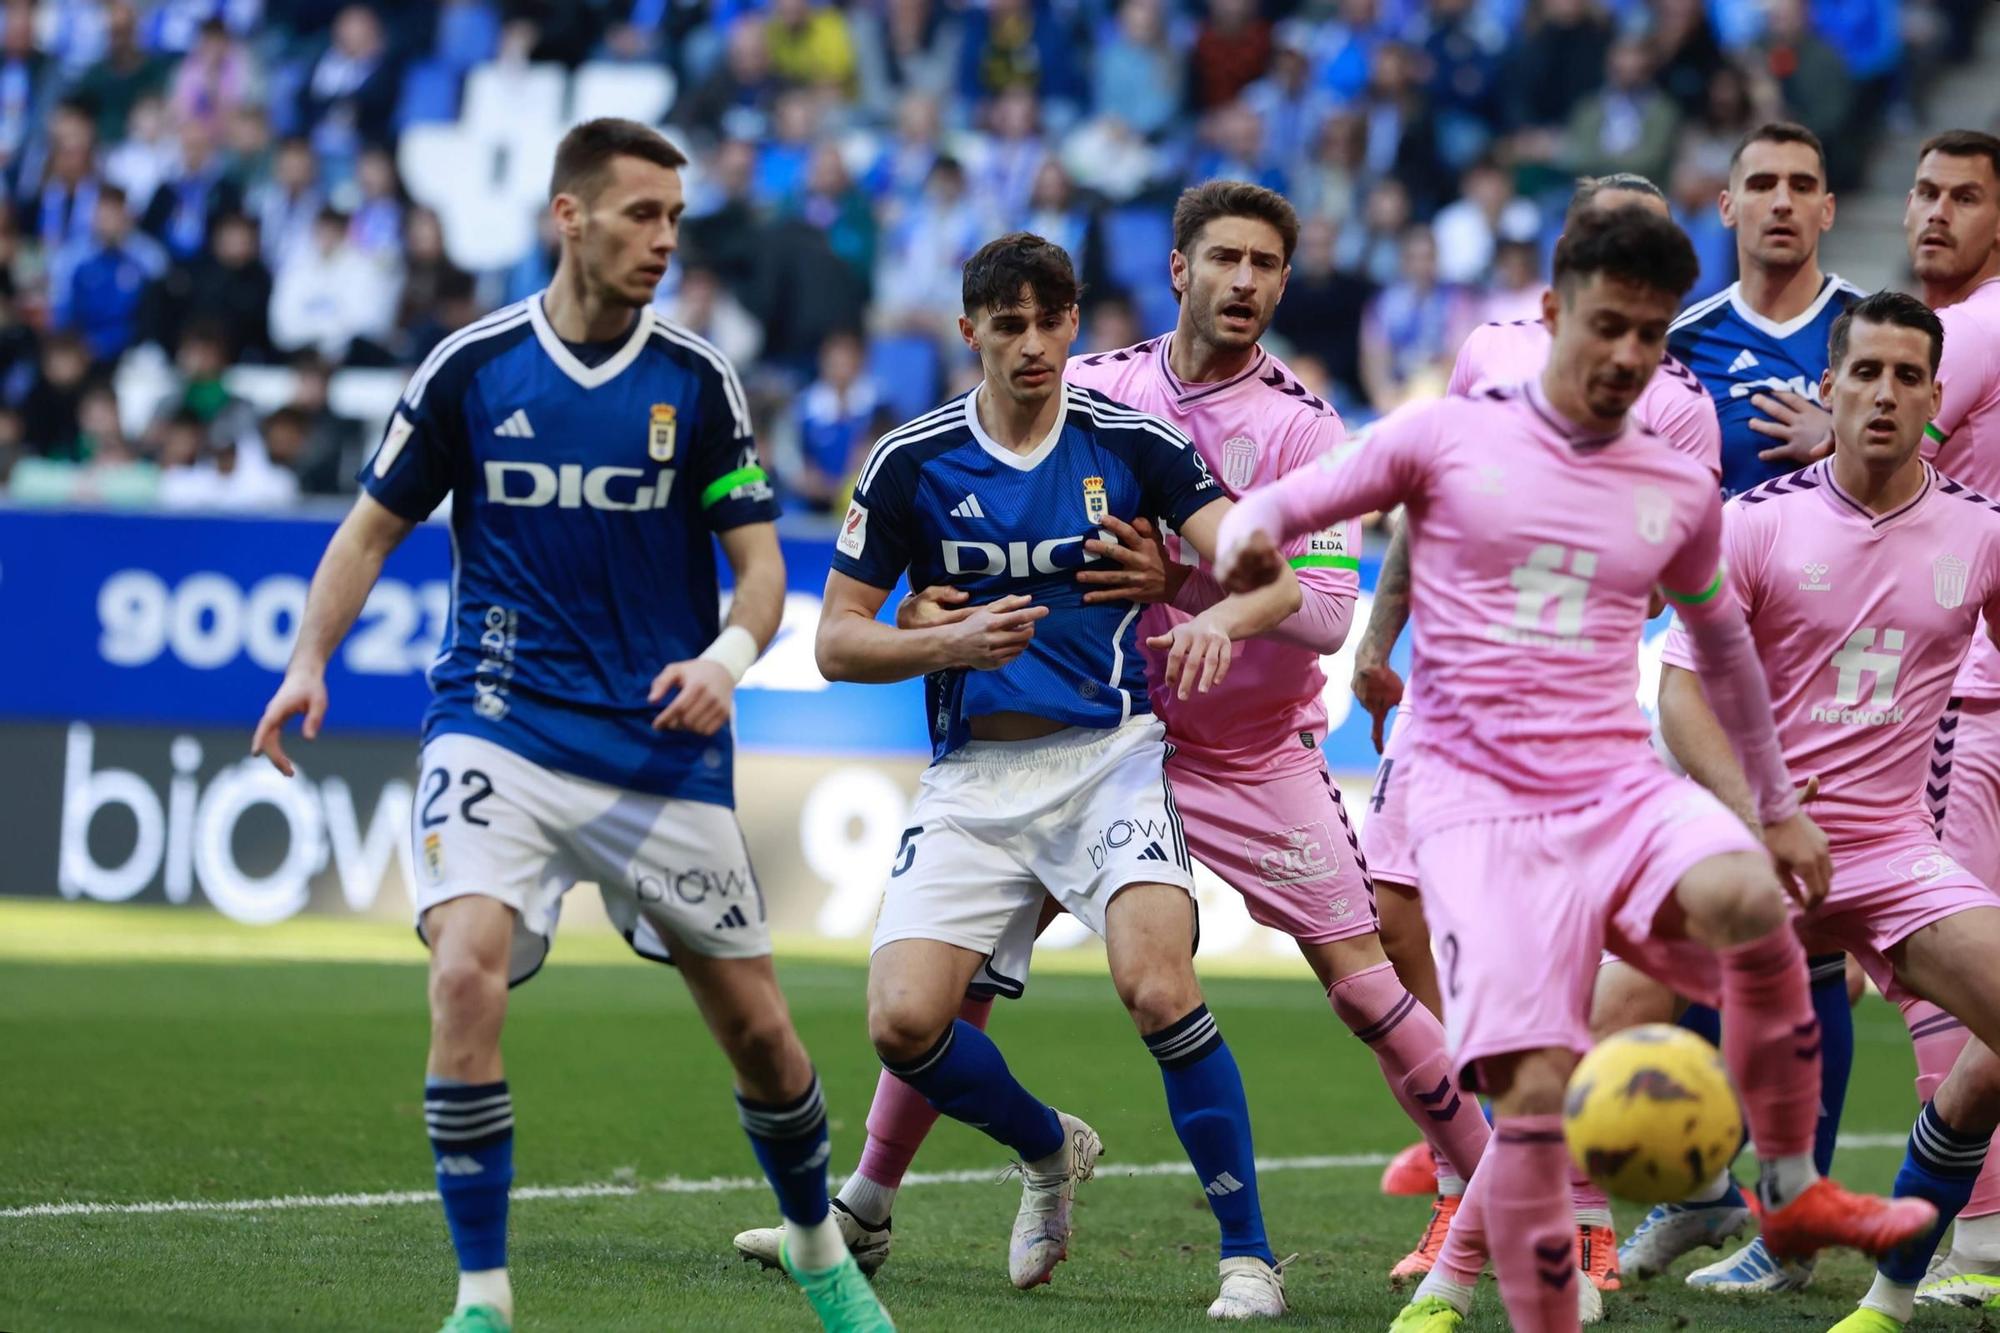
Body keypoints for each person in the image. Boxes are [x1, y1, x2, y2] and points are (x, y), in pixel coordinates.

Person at [734, 180, 1493, 1291]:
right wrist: (918, 619)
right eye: (1222, 259)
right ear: (1177, 269)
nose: (1243, 282)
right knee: (958, 989)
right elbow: (961, 526)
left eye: (1265, 265)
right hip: (1099, 735)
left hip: (1237, 749)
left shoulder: (1299, 425)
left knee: (1357, 974)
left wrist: (1178, 574)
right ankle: (868, 1202)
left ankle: (1492, 1192)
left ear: (1283, 281)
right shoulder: (1091, 383)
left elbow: (1321, 607)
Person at [1216, 206, 1934, 1333]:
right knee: (1537, 1094)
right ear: (1550, 312)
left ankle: (1788, 1188)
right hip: (1474, 802)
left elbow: (1724, 656)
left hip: (1612, 781)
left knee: (1750, 894)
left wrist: (1777, 807)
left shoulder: (1677, 484)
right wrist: (1240, 540)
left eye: (1648, 337)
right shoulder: (1442, 435)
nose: (1625, 358)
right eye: (1606, 327)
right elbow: (1287, 505)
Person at [248, 118, 894, 1333]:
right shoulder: (472, 368)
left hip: (660, 743)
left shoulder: (695, 381)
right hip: (496, 723)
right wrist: (306, 659)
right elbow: (371, 528)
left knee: (757, 1031)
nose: (663, 239)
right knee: (463, 974)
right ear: (569, 216)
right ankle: (482, 1299)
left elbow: (759, 566)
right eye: (640, 214)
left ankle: (817, 1244)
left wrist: (727, 656)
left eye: (673, 219)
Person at [809, 231, 1304, 1318]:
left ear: (1075, 323)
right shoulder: (910, 460)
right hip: (975, 778)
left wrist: (1211, 609)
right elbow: (836, 644)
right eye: (1008, 325)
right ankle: (1045, 1147)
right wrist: (940, 644)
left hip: (1106, 764)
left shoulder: (1130, 444)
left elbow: (1273, 579)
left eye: (1051, 321)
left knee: (1158, 985)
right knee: (901, 1023)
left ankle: (1248, 1258)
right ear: (968, 332)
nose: (1032, 345)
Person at [1352, 172, 1721, 1296]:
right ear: (1566, 243)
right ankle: (1478, 1170)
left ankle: (1579, 1206)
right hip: (1443, 697)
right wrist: (1380, 635)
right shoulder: (1482, 351)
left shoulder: (1674, 398)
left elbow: (1662, 578)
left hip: (1565, 722)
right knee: (1390, 915)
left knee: (1565, 969)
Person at [1643, 292, 2000, 1333]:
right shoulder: (1753, 523)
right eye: (1863, 374)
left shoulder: (1979, 535)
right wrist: (1761, 809)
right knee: (1590, 1019)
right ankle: (1515, 1244)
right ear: (1827, 391)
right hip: (1749, 841)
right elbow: (1679, 697)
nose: (1883, 393)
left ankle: (1890, 1286)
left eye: (1904, 376)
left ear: (1933, 396)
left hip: (1890, 852)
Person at [1865, 128, 2000, 1318]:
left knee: (1936, 971)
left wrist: (1821, 429)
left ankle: (1976, 1238)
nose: (1932, 213)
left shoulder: (1966, 327)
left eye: (1962, 197)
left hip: (1971, 690)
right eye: (1920, 191)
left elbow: (1869, 452)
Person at [1668, 122, 1864, 500]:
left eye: (1802, 187)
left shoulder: (1874, 328)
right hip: (1724, 557)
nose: (1782, 203)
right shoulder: (1682, 342)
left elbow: (1925, 465)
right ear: (1727, 208)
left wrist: (1844, 443)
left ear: (1827, 210)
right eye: (1761, 185)